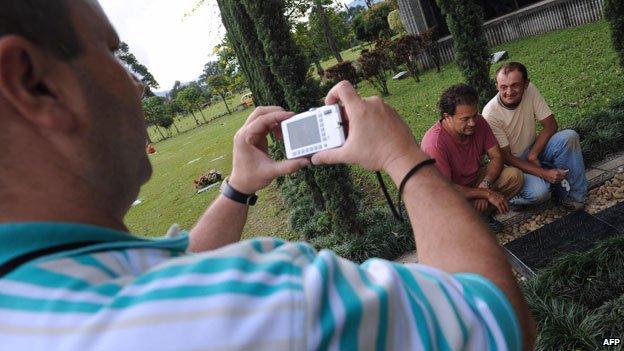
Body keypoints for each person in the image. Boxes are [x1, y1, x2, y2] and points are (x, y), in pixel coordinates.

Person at [0, 1, 534, 350]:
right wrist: (405, 159)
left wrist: (237, 187)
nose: (138, 88)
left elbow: (154, 275)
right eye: (113, 53)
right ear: (31, 83)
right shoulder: (264, 303)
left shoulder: (27, 303)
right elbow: (495, 323)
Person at [482, 62, 588, 210]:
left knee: (569, 137)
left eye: (515, 85)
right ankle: (514, 198)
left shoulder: (530, 90)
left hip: (533, 149)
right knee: (540, 193)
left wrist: (533, 154)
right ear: (497, 85)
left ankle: (576, 197)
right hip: (513, 166)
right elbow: (507, 157)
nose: (509, 92)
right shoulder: (490, 113)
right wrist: (544, 174)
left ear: (526, 84)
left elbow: (551, 125)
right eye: (503, 87)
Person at [421, 84, 524, 231]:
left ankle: (483, 217)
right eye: (465, 119)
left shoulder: (479, 122)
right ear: (447, 117)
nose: (472, 123)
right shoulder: (434, 144)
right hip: (446, 196)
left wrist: (484, 186)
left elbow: (496, 156)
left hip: (474, 182)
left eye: (474, 115)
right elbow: (444, 189)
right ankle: (465, 228)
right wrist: (484, 193)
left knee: (514, 176)